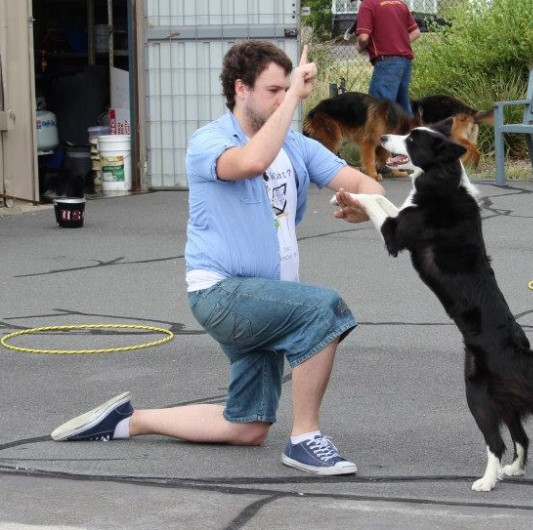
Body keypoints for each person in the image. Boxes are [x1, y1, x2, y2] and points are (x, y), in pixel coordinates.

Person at [50, 40, 385, 476]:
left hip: (267, 299)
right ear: (241, 89)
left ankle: (128, 421)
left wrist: (365, 208)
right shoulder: (208, 141)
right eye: (274, 90)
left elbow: (370, 186)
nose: (285, 98)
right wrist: (297, 100)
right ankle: (305, 438)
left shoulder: (297, 148)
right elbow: (251, 160)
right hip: (222, 294)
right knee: (323, 308)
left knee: (246, 427)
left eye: (288, 89)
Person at [355, 0, 421, 115]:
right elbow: (415, 32)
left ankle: (381, 134)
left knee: (379, 110)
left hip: (387, 63)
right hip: (405, 62)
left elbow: (363, 38)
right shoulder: (400, 3)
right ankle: (410, 132)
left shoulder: (368, 4)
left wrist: (360, 47)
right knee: (402, 109)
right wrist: (397, 44)